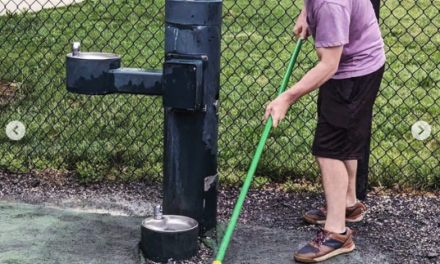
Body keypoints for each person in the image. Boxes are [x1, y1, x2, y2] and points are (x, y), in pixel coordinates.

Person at [264, 0, 386, 262]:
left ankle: (337, 232)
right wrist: (306, 12)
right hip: (361, 60)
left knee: (329, 150)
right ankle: (348, 205)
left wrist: (286, 98)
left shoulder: (331, 5)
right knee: (344, 138)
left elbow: (329, 65)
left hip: (352, 71)